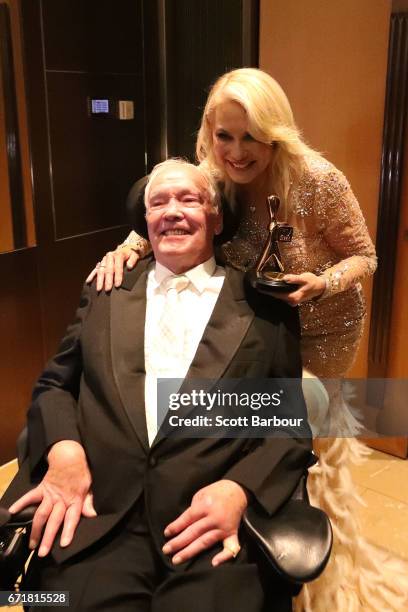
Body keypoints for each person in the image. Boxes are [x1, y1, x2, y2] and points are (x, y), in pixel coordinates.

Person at [88, 69, 408, 612]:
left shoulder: (317, 179)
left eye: (252, 137)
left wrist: (322, 282)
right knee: (242, 438)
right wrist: (125, 248)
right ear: (209, 134)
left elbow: (366, 256)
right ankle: (239, 547)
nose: (237, 153)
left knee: (312, 457)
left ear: (275, 133)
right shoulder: (210, 176)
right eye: (225, 136)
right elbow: (166, 209)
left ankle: (315, 581)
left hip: (322, 331)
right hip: (254, 333)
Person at [4, 159, 314, 612]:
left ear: (216, 217)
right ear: (144, 221)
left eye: (189, 199)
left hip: (211, 530)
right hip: (98, 520)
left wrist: (240, 490)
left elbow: (289, 424)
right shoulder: (106, 291)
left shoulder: (265, 306)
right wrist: (63, 448)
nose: (172, 211)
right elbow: (55, 383)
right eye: (158, 202)